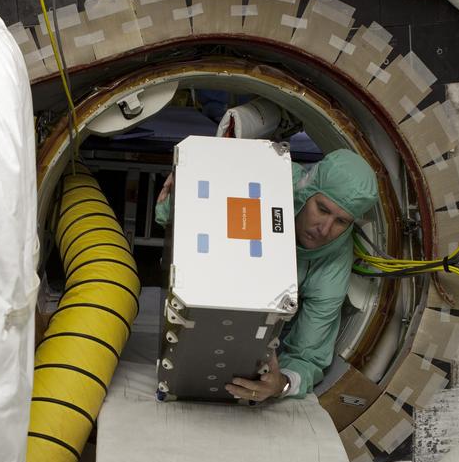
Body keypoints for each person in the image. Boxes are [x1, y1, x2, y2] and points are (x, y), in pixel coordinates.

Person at [155, 149, 379, 404]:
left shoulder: (332, 265)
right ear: (307, 191)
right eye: (322, 209)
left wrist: (282, 383)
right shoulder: (270, 176)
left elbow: (309, 357)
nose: (324, 229)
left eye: (341, 221)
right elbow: (170, 217)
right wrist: (182, 186)